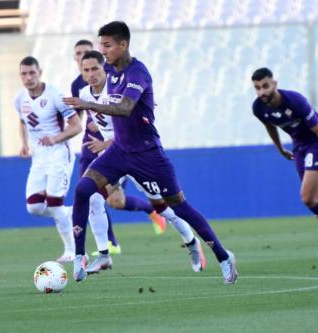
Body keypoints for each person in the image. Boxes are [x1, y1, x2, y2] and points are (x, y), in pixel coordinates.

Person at [63, 21, 237, 284]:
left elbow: (125, 107)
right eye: (101, 46)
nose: (104, 51)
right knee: (83, 190)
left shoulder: (137, 73)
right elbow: (96, 76)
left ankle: (224, 257)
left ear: (124, 45)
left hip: (148, 154)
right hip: (120, 150)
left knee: (178, 206)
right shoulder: (108, 69)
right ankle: (79, 257)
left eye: (107, 46)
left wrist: (87, 104)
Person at [78, 50, 204, 275]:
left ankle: (191, 241)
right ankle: (104, 254)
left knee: (163, 207)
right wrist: (99, 128)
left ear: (104, 68)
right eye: (85, 70)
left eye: (95, 68)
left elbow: (135, 118)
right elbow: (104, 119)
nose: (91, 74)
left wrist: (107, 142)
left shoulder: (118, 88)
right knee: (94, 197)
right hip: (115, 157)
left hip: (136, 153)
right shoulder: (84, 94)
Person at [71, 40, 167, 256]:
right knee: (109, 200)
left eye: (87, 54)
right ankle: (111, 244)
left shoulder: (113, 80)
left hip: (120, 145)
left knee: (106, 198)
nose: (82, 58)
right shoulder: (79, 86)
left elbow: (124, 105)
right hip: (91, 148)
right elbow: (82, 114)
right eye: (78, 54)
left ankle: (164, 216)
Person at [15, 56, 82, 262]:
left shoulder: (55, 95)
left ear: (40, 72)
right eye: (24, 74)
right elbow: (22, 121)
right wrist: (24, 144)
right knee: (34, 207)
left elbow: (76, 126)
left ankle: (72, 251)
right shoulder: (19, 99)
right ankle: (67, 213)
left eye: (32, 73)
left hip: (59, 154)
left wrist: (55, 139)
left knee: (53, 203)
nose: (28, 78)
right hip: (39, 158)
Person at [251, 67, 318, 215]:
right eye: (257, 88)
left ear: (274, 84)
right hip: (299, 147)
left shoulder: (296, 101)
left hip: (314, 143)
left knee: (307, 198)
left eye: (265, 86)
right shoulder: (258, 108)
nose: (262, 92)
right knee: (313, 200)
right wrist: (280, 149)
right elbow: (270, 126)